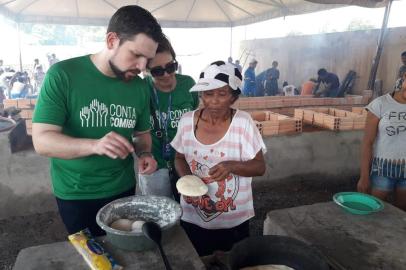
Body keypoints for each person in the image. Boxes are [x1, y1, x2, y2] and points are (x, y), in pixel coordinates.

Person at [31, 5, 164, 236]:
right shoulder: (63, 75)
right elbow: (42, 141)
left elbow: (141, 134)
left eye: (147, 59)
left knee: (123, 248)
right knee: (92, 255)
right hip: (76, 192)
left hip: (122, 187)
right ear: (112, 40)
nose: (142, 67)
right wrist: (94, 145)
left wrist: (144, 154)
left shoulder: (140, 87)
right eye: (136, 55)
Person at [171, 61, 266, 256]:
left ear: (233, 97)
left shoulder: (243, 123)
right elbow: (179, 157)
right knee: (198, 260)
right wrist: (189, 180)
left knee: (234, 261)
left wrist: (232, 166)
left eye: (222, 94)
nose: (213, 101)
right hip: (194, 215)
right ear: (201, 95)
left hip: (233, 218)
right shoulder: (187, 121)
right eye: (208, 93)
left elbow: (259, 167)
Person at [139, 36, 198, 201]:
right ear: (146, 70)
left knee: (189, 210)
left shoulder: (188, 84)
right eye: (157, 71)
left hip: (186, 162)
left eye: (171, 67)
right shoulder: (141, 89)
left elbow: (196, 118)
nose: (166, 74)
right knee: (160, 214)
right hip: (155, 165)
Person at [357, 72, 406, 211]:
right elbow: (367, 143)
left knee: (402, 210)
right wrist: (364, 176)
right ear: (404, 77)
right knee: (375, 208)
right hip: (383, 168)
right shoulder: (380, 104)